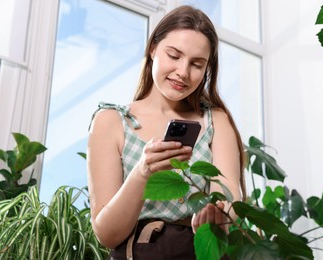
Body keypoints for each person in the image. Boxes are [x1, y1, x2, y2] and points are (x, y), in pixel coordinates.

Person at [87, 5, 246, 259]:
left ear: (207, 69)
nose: (183, 72)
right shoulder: (111, 122)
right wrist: (143, 172)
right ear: (153, 49)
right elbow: (107, 234)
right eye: (174, 55)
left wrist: (218, 211)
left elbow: (229, 197)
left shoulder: (216, 120)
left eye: (196, 64)